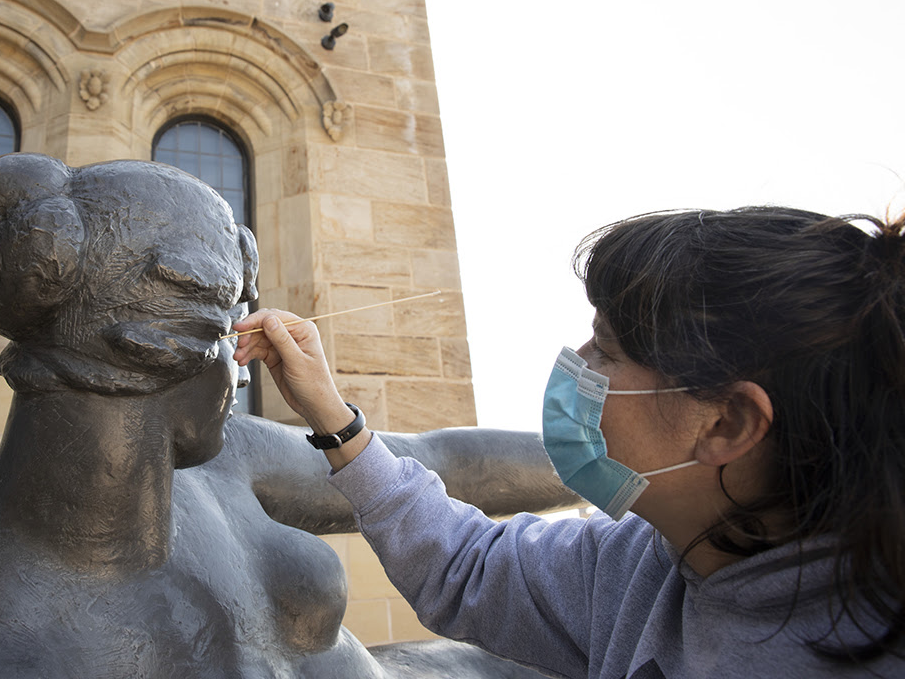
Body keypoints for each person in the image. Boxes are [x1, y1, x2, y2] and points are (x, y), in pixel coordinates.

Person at [0, 153, 576, 679]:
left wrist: (611, 452)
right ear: (167, 346)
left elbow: (441, 464)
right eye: (231, 330)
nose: (243, 363)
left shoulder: (227, 460)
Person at [233, 206, 905, 678]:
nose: (574, 366)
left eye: (605, 352)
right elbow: (467, 566)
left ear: (726, 423)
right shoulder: (649, 560)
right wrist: (331, 414)